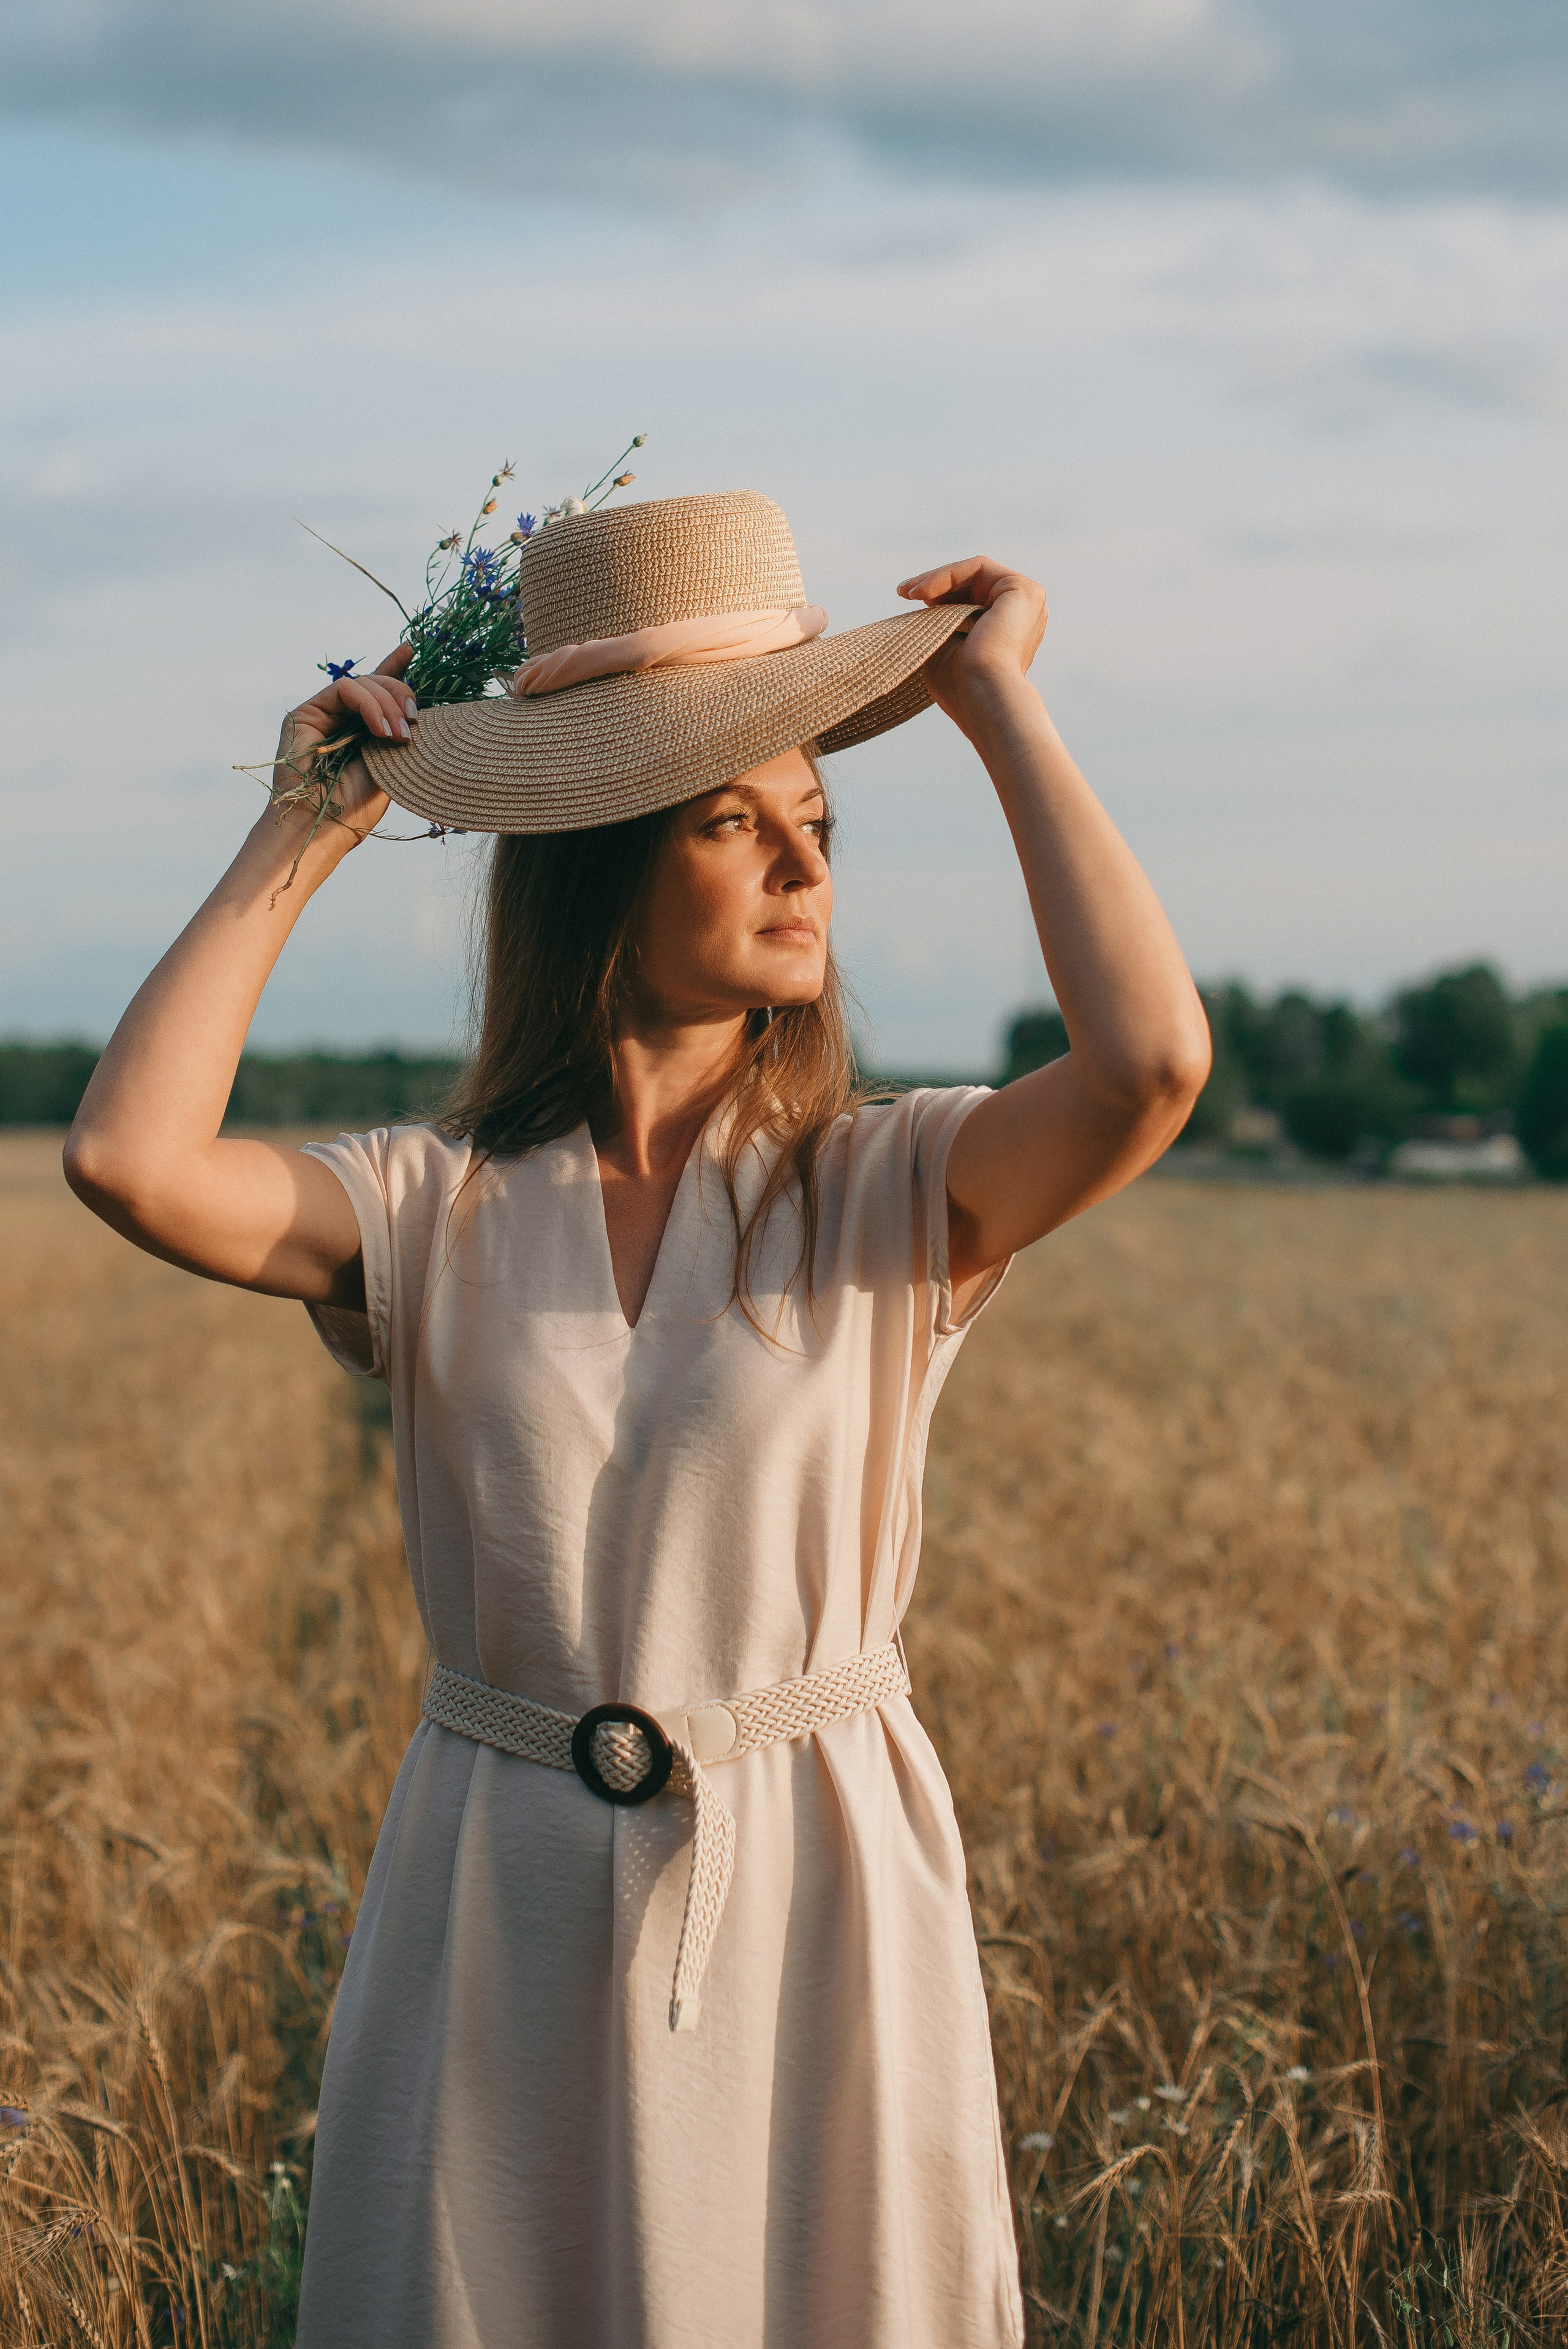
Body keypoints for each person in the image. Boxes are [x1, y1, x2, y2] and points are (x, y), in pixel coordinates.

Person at [65, 489, 1210, 2349]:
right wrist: (303, 828)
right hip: (497, 1880)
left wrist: (998, 708)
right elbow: (127, 1157)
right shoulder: (429, 1205)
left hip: (815, 1878)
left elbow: (1153, 1061)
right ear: (603, 858)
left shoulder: (892, 1186)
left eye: (817, 826)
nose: (802, 870)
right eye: (733, 821)